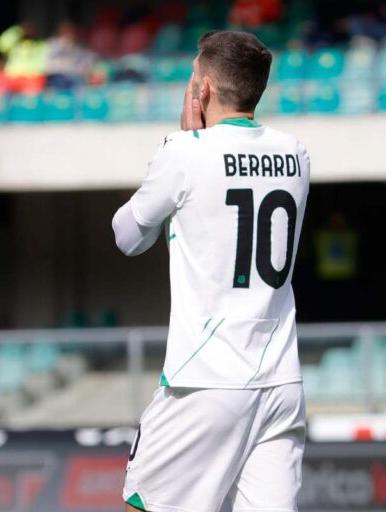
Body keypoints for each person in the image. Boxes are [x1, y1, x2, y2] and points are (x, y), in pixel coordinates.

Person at [112, 31, 310, 512]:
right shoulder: (297, 154)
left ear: (201, 90)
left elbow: (128, 237)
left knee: (144, 506)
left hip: (204, 380)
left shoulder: (185, 153)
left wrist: (176, 142)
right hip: (280, 383)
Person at [0, 22, 48, 94]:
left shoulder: (40, 45)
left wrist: (30, 75)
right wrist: (17, 30)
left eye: (31, 29)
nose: (29, 31)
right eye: (26, 29)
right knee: (2, 84)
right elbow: (1, 44)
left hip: (31, 77)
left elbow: (42, 65)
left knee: (34, 90)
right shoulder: (14, 45)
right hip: (13, 76)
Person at [45, 21, 94, 89]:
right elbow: (48, 65)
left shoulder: (77, 47)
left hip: (73, 80)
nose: (68, 35)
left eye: (70, 33)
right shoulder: (51, 44)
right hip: (55, 78)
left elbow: (86, 62)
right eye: (65, 32)